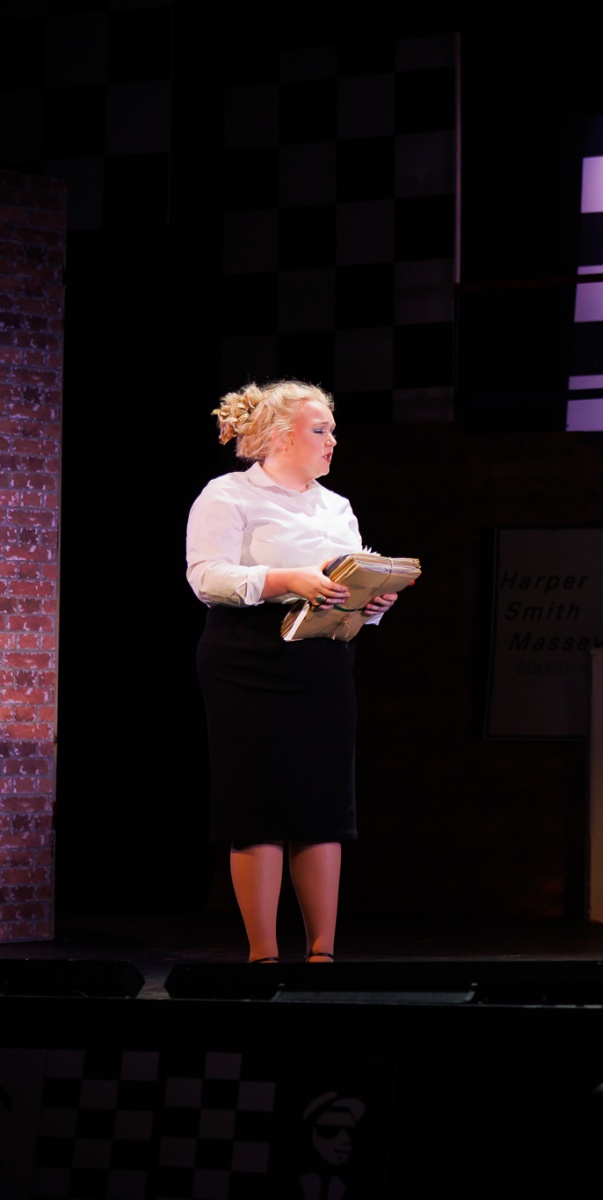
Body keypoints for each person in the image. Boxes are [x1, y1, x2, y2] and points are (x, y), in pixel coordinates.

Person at [186, 381, 400, 963]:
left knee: (323, 805)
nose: (332, 440)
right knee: (256, 804)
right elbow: (206, 577)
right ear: (281, 436)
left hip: (322, 655)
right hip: (248, 654)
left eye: (332, 429)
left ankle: (322, 955)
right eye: (320, 429)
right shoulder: (229, 494)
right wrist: (288, 579)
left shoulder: (336, 506)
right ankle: (263, 955)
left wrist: (372, 602)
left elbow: (348, 581)